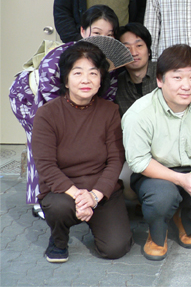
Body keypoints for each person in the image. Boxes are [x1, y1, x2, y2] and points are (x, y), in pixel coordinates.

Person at [122, 44, 191, 261]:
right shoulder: (140, 112)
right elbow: (138, 161)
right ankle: (156, 235)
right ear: (160, 80)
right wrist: (180, 180)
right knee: (162, 198)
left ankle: (184, 219)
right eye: (177, 77)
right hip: (155, 173)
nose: (186, 86)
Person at [9, 5, 120, 214]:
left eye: (109, 35)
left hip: (77, 102)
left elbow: (107, 98)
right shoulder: (59, 57)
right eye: (96, 33)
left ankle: (79, 192)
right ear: (83, 31)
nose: (102, 39)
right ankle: (40, 200)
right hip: (29, 98)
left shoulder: (108, 64)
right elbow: (52, 106)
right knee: (42, 142)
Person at [31, 42, 132, 263]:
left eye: (93, 73)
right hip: (63, 191)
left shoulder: (110, 111)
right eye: (78, 73)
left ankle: (96, 217)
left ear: (101, 79)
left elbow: (116, 160)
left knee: (116, 248)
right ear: (66, 79)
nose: (85, 80)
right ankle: (58, 239)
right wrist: (79, 197)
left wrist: (94, 197)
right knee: (58, 207)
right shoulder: (47, 114)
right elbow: (46, 166)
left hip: (100, 189)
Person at [116, 23, 157, 117]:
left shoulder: (165, 74)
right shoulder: (116, 84)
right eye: (126, 48)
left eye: (139, 45)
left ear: (149, 51)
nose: (133, 53)